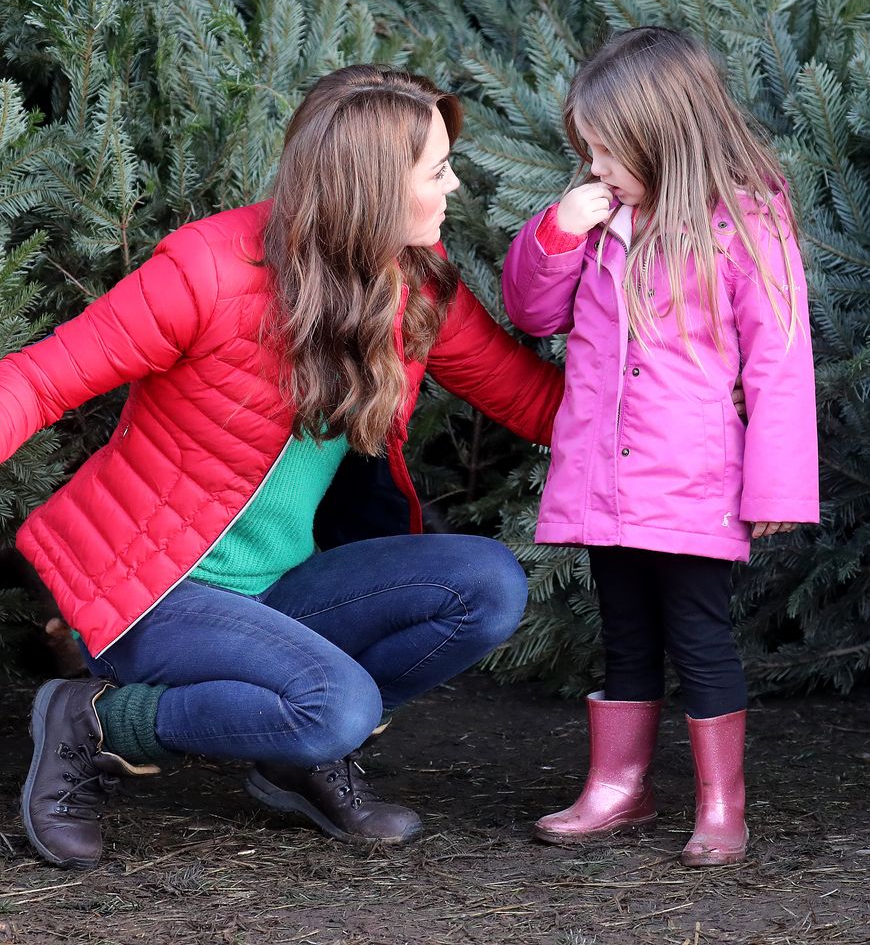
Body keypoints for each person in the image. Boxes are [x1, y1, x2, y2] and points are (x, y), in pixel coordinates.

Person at [2, 64, 566, 871]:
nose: (455, 189)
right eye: (437, 172)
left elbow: (535, 403)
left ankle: (293, 755)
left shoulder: (412, 285)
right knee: (339, 705)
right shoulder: (207, 271)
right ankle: (95, 721)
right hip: (155, 589)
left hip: (279, 588)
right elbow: (39, 379)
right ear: (371, 187)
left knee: (488, 585)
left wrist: (707, 423)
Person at [501, 27, 819, 866]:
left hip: (694, 482)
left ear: (662, 136)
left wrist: (778, 491)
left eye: (607, 153)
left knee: (701, 638)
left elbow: (781, 358)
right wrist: (556, 234)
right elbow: (535, 314)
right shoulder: (599, 221)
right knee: (626, 634)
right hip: (604, 483)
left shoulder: (747, 222)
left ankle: (722, 804)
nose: (596, 169)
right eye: (590, 153)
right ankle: (619, 787)